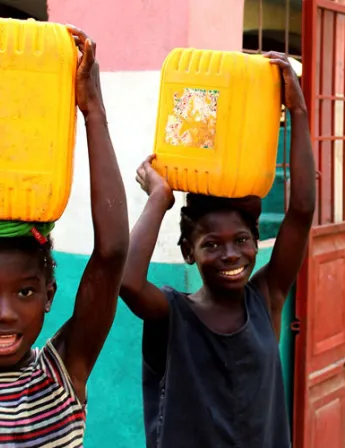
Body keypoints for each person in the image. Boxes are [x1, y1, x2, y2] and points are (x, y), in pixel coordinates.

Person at [119, 52, 315, 447]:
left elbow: (302, 211)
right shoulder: (172, 314)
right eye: (211, 244)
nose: (231, 254)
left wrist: (299, 112)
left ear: (255, 242)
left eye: (241, 240)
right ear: (189, 253)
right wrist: (159, 198)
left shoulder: (267, 298)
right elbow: (127, 283)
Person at [0, 27, 129, 445]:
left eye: (24, 292)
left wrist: (92, 109)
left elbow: (111, 254)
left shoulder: (61, 375)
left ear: (50, 295)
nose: (5, 312)